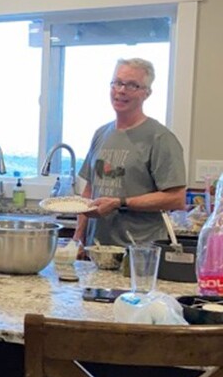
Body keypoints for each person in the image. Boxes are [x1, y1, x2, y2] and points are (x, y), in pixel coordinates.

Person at [75, 58, 186, 247]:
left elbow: (176, 198)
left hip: (140, 251)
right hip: (97, 249)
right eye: (117, 82)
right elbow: (89, 190)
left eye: (132, 85)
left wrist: (120, 202)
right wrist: (78, 237)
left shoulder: (160, 137)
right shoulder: (101, 133)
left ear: (147, 93)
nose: (121, 91)